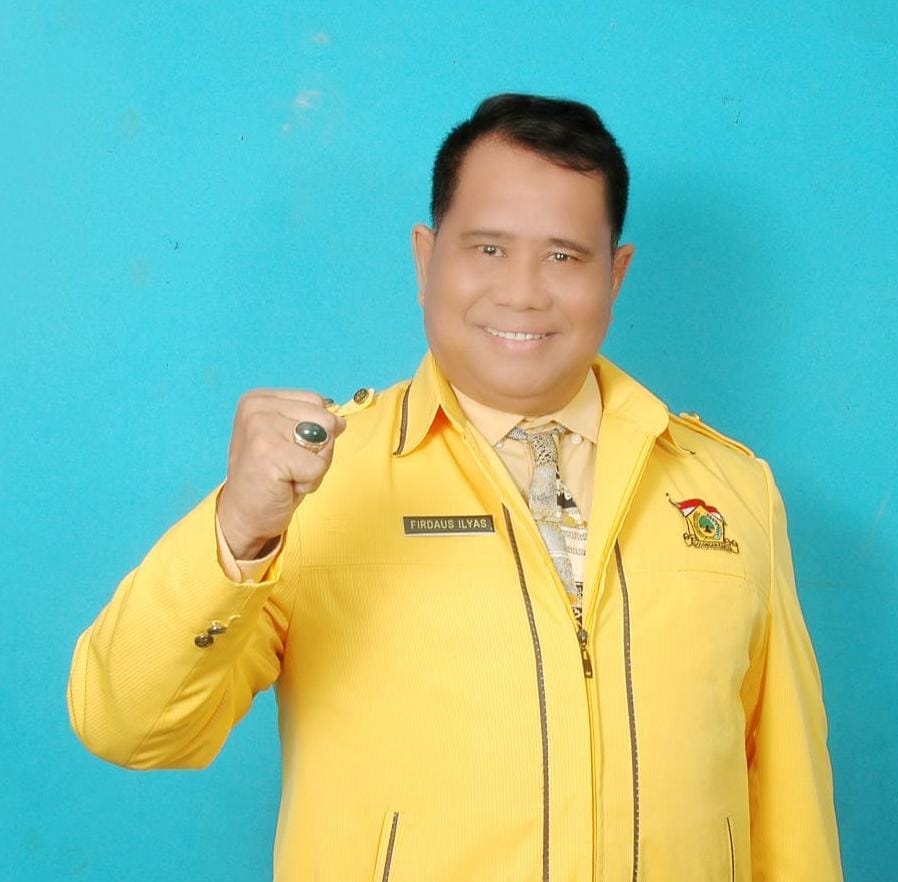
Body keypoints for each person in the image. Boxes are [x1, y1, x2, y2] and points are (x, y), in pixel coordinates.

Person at [68, 93, 843, 881]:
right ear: (425, 257)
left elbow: (790, 807)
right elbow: (128, 726)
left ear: (616, 273)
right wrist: (239, 529)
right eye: (488, 248)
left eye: (564, 257)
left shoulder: (730, 490)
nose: (523, 293)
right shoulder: (316, 486)